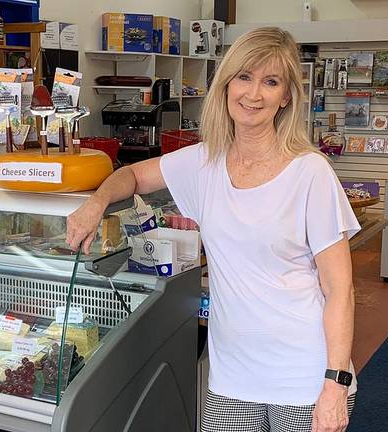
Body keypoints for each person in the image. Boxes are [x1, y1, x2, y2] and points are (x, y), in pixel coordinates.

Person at [66, 27, 359, 432]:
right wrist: (97, 202)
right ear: (225, 85)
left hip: (304, 373)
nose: (253, 94)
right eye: (244, 77)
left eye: (270, 82)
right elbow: (132, 175)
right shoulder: (203, 162)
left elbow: (340, 290)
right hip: (233, 374)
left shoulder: (310, 173)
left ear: (286, 96)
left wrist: (335, 384)